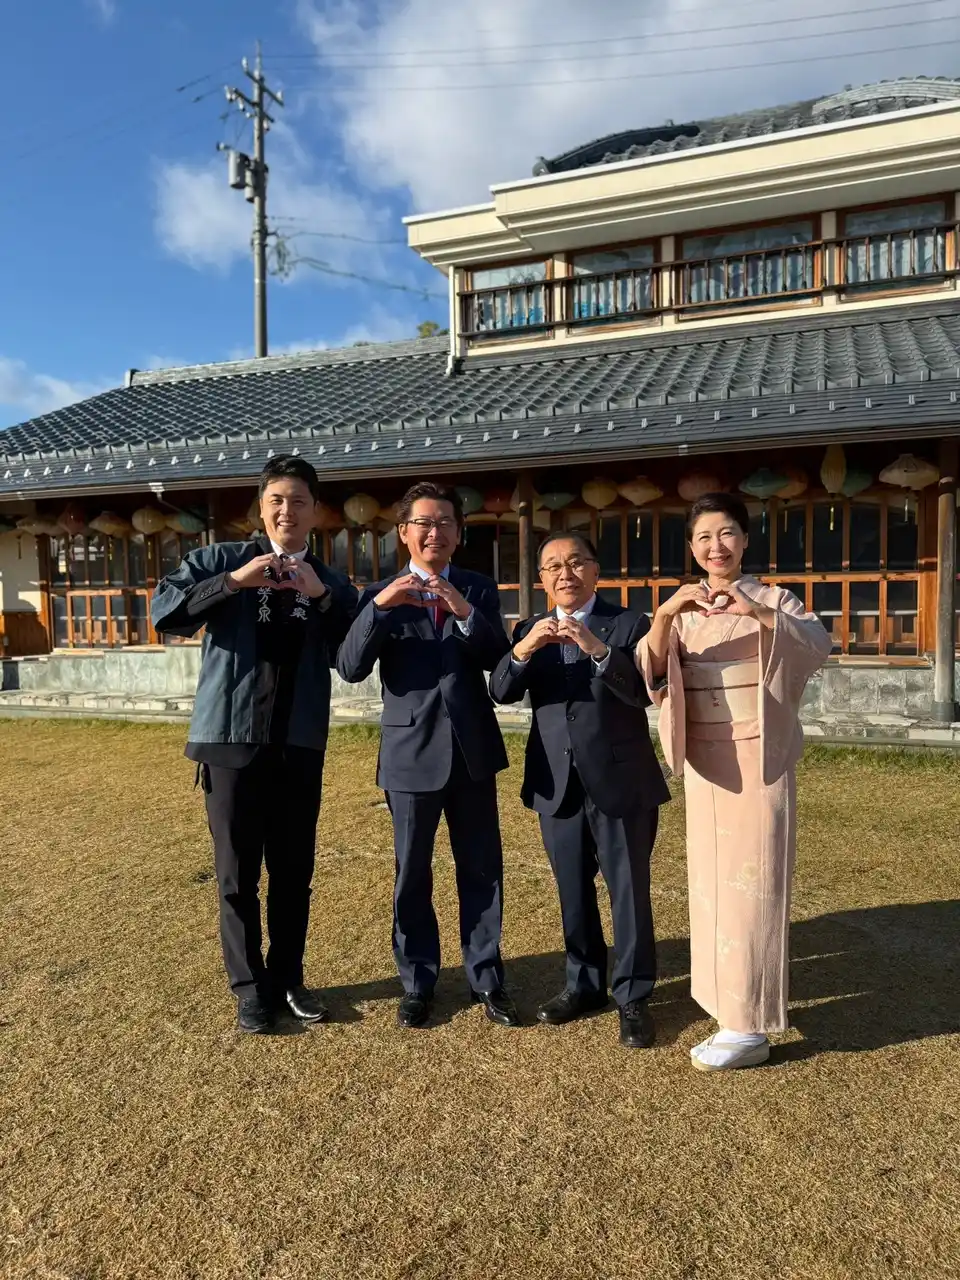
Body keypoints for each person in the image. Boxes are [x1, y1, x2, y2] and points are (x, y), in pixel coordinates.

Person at [151, 456, 358, 1034]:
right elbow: (164, 613)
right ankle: (248, 989)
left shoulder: (332, 580)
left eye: (298, 500)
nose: (286, 510)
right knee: (237, 872)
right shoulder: (220, 559)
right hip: (229, 739)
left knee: (294, 869)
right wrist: (234, 583)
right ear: (261, 509)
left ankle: (288, 978)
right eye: (276, 501)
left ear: (316, 510)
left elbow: (355, 654)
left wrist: (320, 596)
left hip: (298, 741)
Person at [636, 493, 831, 1071]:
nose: (714, 547)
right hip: (704, 758)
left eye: (726, 534)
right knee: (712, 883)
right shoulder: (686, 606)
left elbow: (816, 647)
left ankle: (750, 1025)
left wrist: (757, 613)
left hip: (756, 755)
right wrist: (667, 613)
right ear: (691, 548)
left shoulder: (775, 597)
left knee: (755, 883)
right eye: (702, 538)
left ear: (744, 541)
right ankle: (725, 1008)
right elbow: (649, 667)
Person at [336, 481, 518, 1030]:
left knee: (482, 868)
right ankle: (418, 980)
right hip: (409, 751)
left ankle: (486, 977)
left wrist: (462, 608)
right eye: (424, 523)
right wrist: (382, 608)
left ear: (459, 535)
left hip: (471, 749)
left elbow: (498, 661)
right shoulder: (378, 593)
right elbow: (349, 666)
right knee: (411, 869)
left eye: (444, 523)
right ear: (404, 533)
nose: (434, 532)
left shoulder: (479, 587)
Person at [490, 533, 670, 1048]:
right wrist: (523, 650)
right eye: (551, 567)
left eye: (575, 563)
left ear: (595, 570)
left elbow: (643, 693)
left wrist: (597, 650)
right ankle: (584, 984)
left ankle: (633, 997)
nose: (563, 574)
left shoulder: (631, 624)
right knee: (572, 890)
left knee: (629, 891)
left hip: (620, 779)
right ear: (542, 579)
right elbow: (501, 691)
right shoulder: (530, 628)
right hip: (556, 782)